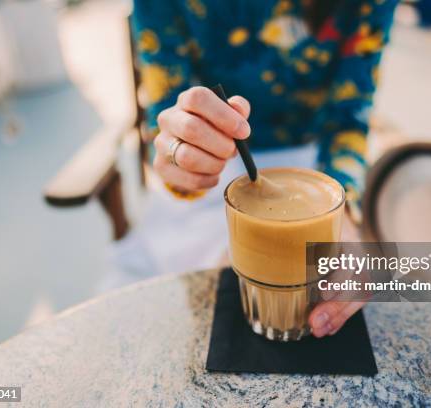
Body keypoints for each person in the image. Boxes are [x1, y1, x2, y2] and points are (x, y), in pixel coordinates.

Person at [120, 0, 398, 338]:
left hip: (315, 171)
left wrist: (346, 221)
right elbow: (165, 120)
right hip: (214, 171)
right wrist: (180, 157)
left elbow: (348, 118)